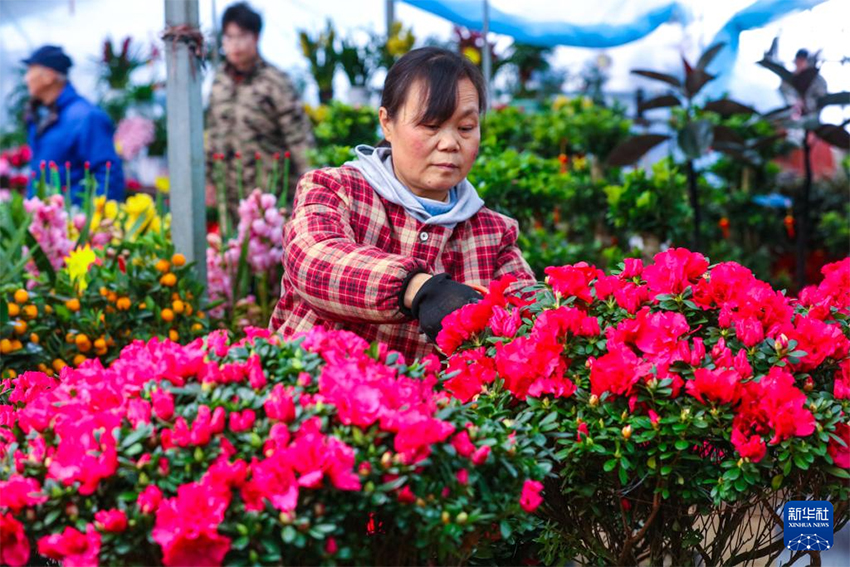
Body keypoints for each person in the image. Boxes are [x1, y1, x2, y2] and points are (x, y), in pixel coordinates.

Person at [270, 47, 535, 361]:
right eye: (431, 125)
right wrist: (417, 288)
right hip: (312, 383)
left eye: (465, 128)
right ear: (387, 123)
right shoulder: (336, 189)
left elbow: (528, 321)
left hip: (427, 394)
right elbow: (312, 262)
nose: (450, 143)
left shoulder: (492, 234)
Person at [206, 2, 314, 219]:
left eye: (241, 36)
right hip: (229, 195)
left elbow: (299, 137)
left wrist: (312, 186)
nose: (235, 44)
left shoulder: (275, 81)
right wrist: (208, 180)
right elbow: (211, 134)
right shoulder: (219, 82)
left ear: (255, 37)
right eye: (229, 37)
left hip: (270, 194)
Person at [23, 45, 125, 202]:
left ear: (49, 76)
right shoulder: (43, 114)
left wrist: (93, 214)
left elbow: (108, 175)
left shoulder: (86, 117)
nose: (26, 79)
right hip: (45, 214)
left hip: (72, 214)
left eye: (30, 71)